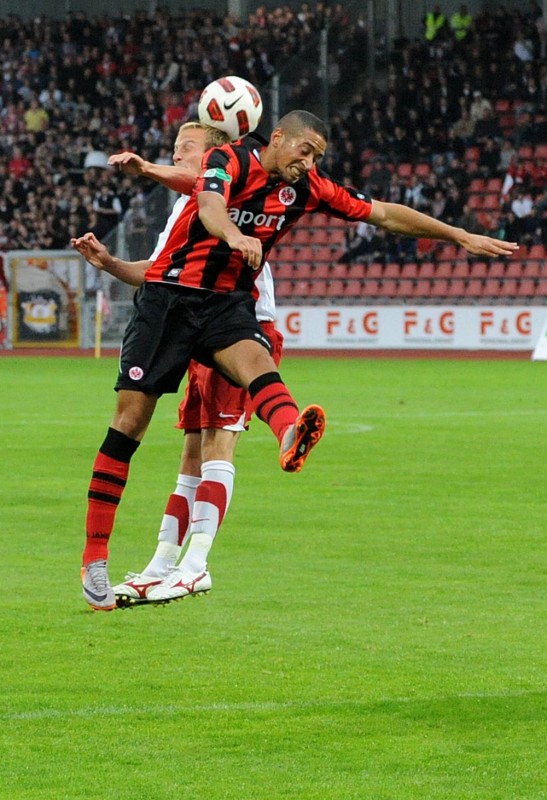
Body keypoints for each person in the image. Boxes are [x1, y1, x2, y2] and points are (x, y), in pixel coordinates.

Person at [74, 109, 518, 612]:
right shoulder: (229, 159)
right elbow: (210, 204)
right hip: (168, 299)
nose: (309, 163)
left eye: (318, 157)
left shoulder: (307, 189)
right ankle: (95, 555)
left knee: (259, 368)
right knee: (128, 426)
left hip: (225, 303)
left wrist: (459, 236)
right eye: (304, 151)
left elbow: (386, 213)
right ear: (278, 137)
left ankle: (289, 433)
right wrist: (234, 236)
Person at [74, 122, 282, 607]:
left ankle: (196, 564)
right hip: (186, 322)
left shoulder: (233, 186)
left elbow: (207, 189)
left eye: (184, 149)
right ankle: (161, 564)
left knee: (217, 443)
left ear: (216, 156)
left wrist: (148, 169)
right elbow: (157, 271)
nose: (176, 155)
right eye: (173, 149)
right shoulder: (179, 212)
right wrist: (108, 263)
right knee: (188, 449)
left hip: (238, 323)